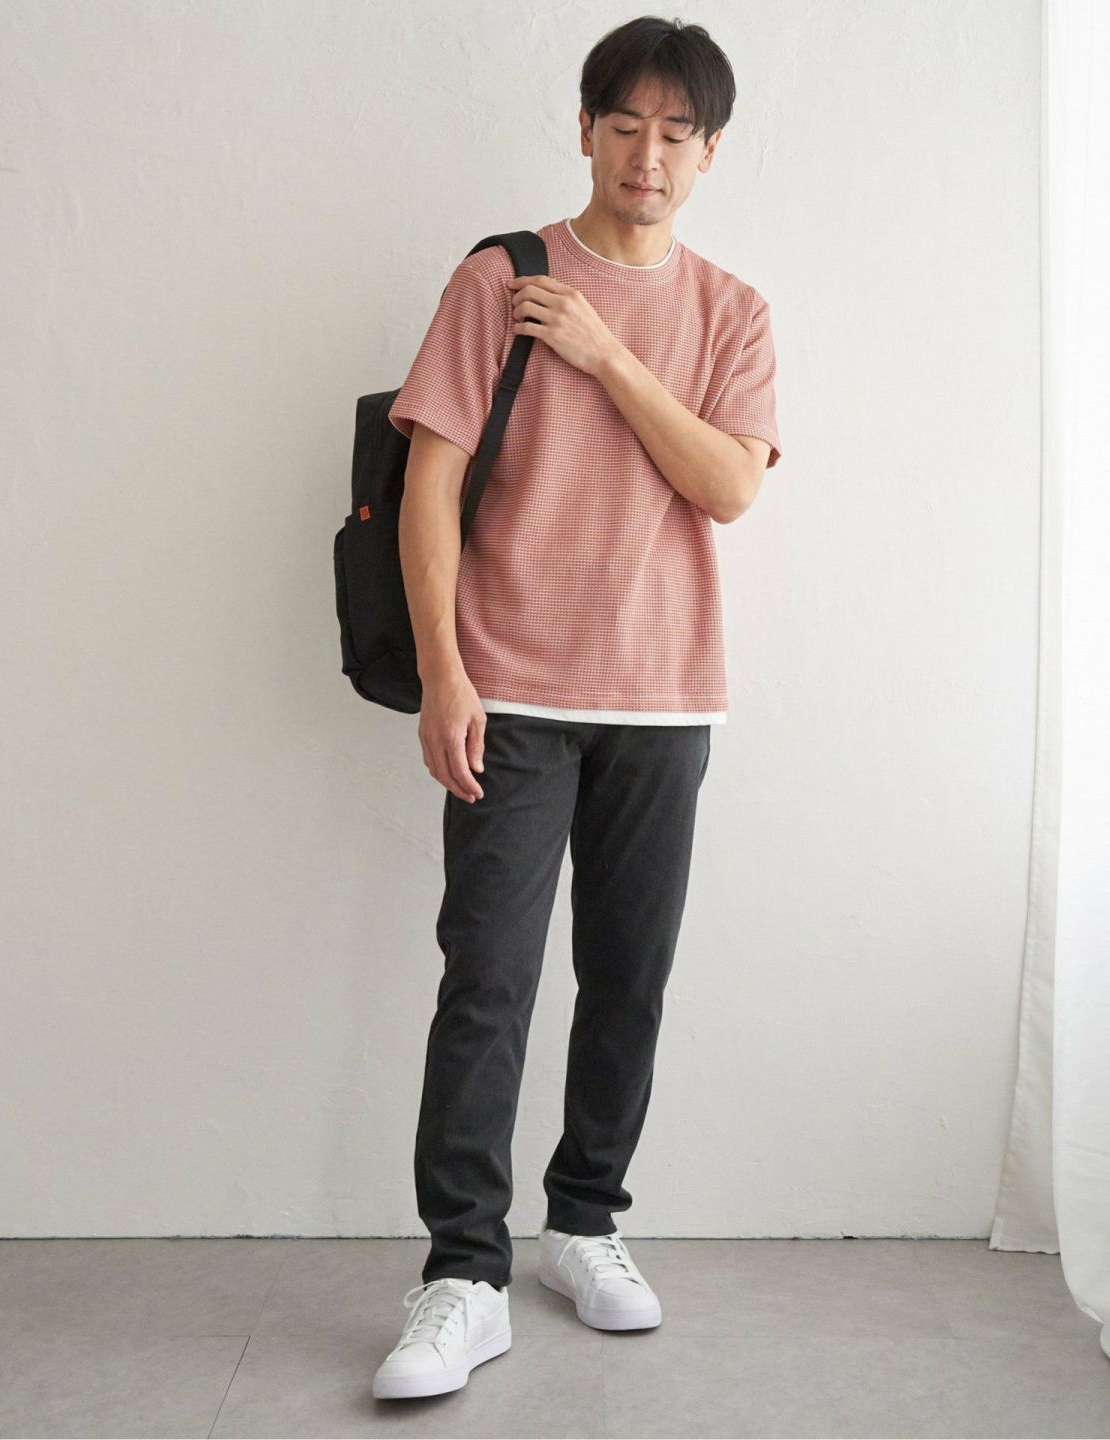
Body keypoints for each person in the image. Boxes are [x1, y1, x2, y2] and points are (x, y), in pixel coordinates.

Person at [371, 14, 783, 1402]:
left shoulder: (732, 312)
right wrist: (444, 672)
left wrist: (607, 355)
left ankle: (586, 1223)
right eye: (625, 125)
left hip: (665, 696)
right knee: (486, 978)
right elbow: (429, 483)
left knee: (629, 977)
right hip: (512, 684)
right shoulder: (502, 278)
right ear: (589, 129)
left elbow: (729, 486)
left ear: (709, 153)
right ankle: (463, 1273)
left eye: (677, 132)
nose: (647, 154)